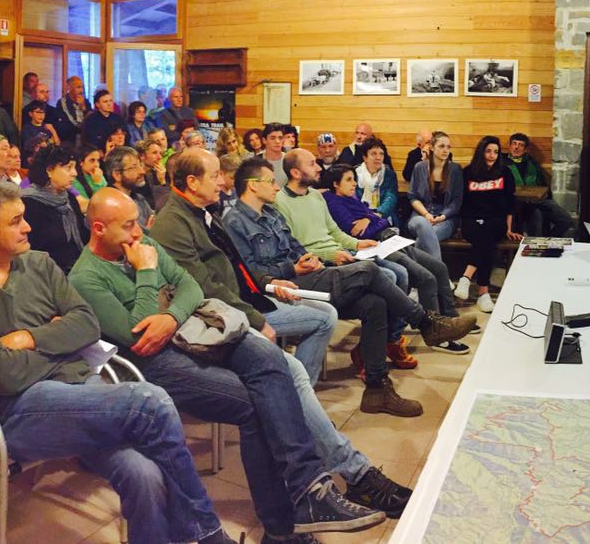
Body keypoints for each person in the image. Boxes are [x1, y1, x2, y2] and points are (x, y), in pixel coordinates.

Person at [0, 183, 249, 544]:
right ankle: (208, 534)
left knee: (144, 474)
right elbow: (4, 377)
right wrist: (58, 339)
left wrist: (29, 339)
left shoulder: (39, 263)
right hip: (18, 412)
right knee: (150, 402)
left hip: (81, 395)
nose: (28, 228)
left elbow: (87, 325)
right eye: (17, 221)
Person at [70, 189, 394, 533]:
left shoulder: (143, 242)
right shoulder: (86, 277)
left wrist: (172, 315)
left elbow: (191, 287)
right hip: (155, 364)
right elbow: (141, 341)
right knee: (254, 404)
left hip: (194, 330)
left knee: (273, 359)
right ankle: (282, 524)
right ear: (99, 228)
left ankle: (309, 488)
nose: (138, 232)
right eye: (128, 225)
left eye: (137, 222)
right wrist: (148, 273)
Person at [226, 158, 466, 416]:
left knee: (376, 304)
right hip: (281, 287)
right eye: (270, 181)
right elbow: (250, 273)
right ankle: (426, 321)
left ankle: (376, 390)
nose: (275, 186)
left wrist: (309, 258)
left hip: (306, 274)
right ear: (252, 185)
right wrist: (294, 268)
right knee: (370, 270)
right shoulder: (235, 222)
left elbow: (295, 246)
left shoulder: (271, 213)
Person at [152, 150, 330, 386]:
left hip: (242, 299)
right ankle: (296, 398)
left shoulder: (202, 211)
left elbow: (237, 265)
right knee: (294, 369)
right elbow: (203, 287)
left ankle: (297, 398)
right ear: (193, 182)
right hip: (220, 314)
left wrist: (268, 281)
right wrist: (255, 320)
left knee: (326, 314)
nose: (222, 182)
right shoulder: (173, 223)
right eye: (215, 176)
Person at [274, 151, 475, 357]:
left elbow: (335, 231)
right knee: (395, 275)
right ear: (296, 172)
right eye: (312, 164)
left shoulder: (316, 196)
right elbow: (294, 246)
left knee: (414, 272)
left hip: (348, 251)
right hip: (322, 263)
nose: (318, 168)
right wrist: (332, 253)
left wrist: (358, 243)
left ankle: (396, 337)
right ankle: (419, 327)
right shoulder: (280, 202)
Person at [454, 136, 522, 313]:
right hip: (471, 219)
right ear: (481, 152)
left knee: (487, 235)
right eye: (488, 151)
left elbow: (510, 203)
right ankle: (483, 293)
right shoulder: (468, 172)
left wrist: (508, 228)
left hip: (496, 220)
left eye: (496, 152)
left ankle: (466, 277)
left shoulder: (505, 172)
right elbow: (462, 201)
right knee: (487, 243)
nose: (492, 155)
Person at [21, 146, 88, 272]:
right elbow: (34, 250)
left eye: (74, 167)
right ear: (49, 170)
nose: (75, 173)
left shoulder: (69, 198)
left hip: (77, 266)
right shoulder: (28, 204)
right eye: (68, 167)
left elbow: (83, 235)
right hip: (48, 271)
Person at [504, 133, 576, 238]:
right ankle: (536, 246)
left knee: (566, 220)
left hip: (538, 200)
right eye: (514, 144)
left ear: (525, 149)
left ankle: (547, 242)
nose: (516, 147)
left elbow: (542, 183)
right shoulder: (503, 164)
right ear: (510, 146)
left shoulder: (532, 163)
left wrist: (546, 197)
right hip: (517, 203)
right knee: (536, 216)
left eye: (520, 145)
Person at [406, 131, 462, 262]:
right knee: (422, 225)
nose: (445, 150)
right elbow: (413, 197)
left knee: (428, 235)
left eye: (448, 147)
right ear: (432, 147)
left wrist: (443, 216)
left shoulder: (455, 169)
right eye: (442, 146)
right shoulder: (420, 167)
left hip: (445, 218)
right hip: (421, 214)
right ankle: (441, 276)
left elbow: (457, 200)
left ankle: (420, 274)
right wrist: (426, 215)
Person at [101, 145, 155, 228]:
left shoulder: (139, 198)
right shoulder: (109, 206)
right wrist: (148, 232)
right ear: (117, 175)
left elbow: (155, 223)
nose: (142, 171)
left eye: (140, 165)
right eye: (133, 167)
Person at [352, 137, 399, 228]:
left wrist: (377, 214)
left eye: (381, 154)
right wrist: (365, 216)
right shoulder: (354, 174)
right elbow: (353, 199)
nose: (378, 157)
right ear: (365, 158)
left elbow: (391, 198)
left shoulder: (389, 174)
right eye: (373, 154)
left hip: (382, 215)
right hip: (359, 215)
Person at [54, 75, 90, 144]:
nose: (81, 90)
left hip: (84, 134)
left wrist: (83, 107)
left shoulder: (86, 101)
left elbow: (91, 118)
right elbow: (71, 121)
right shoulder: (63, 102)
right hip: (70, 136)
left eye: (82, 87)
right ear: (70, 88)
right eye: (78, 87)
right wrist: (84, 128)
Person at [256, 123, 289, 189]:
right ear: (264, 140)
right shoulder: (256, 161)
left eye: (280, 138)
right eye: (272, 138)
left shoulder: (289, 159)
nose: (277, 141)